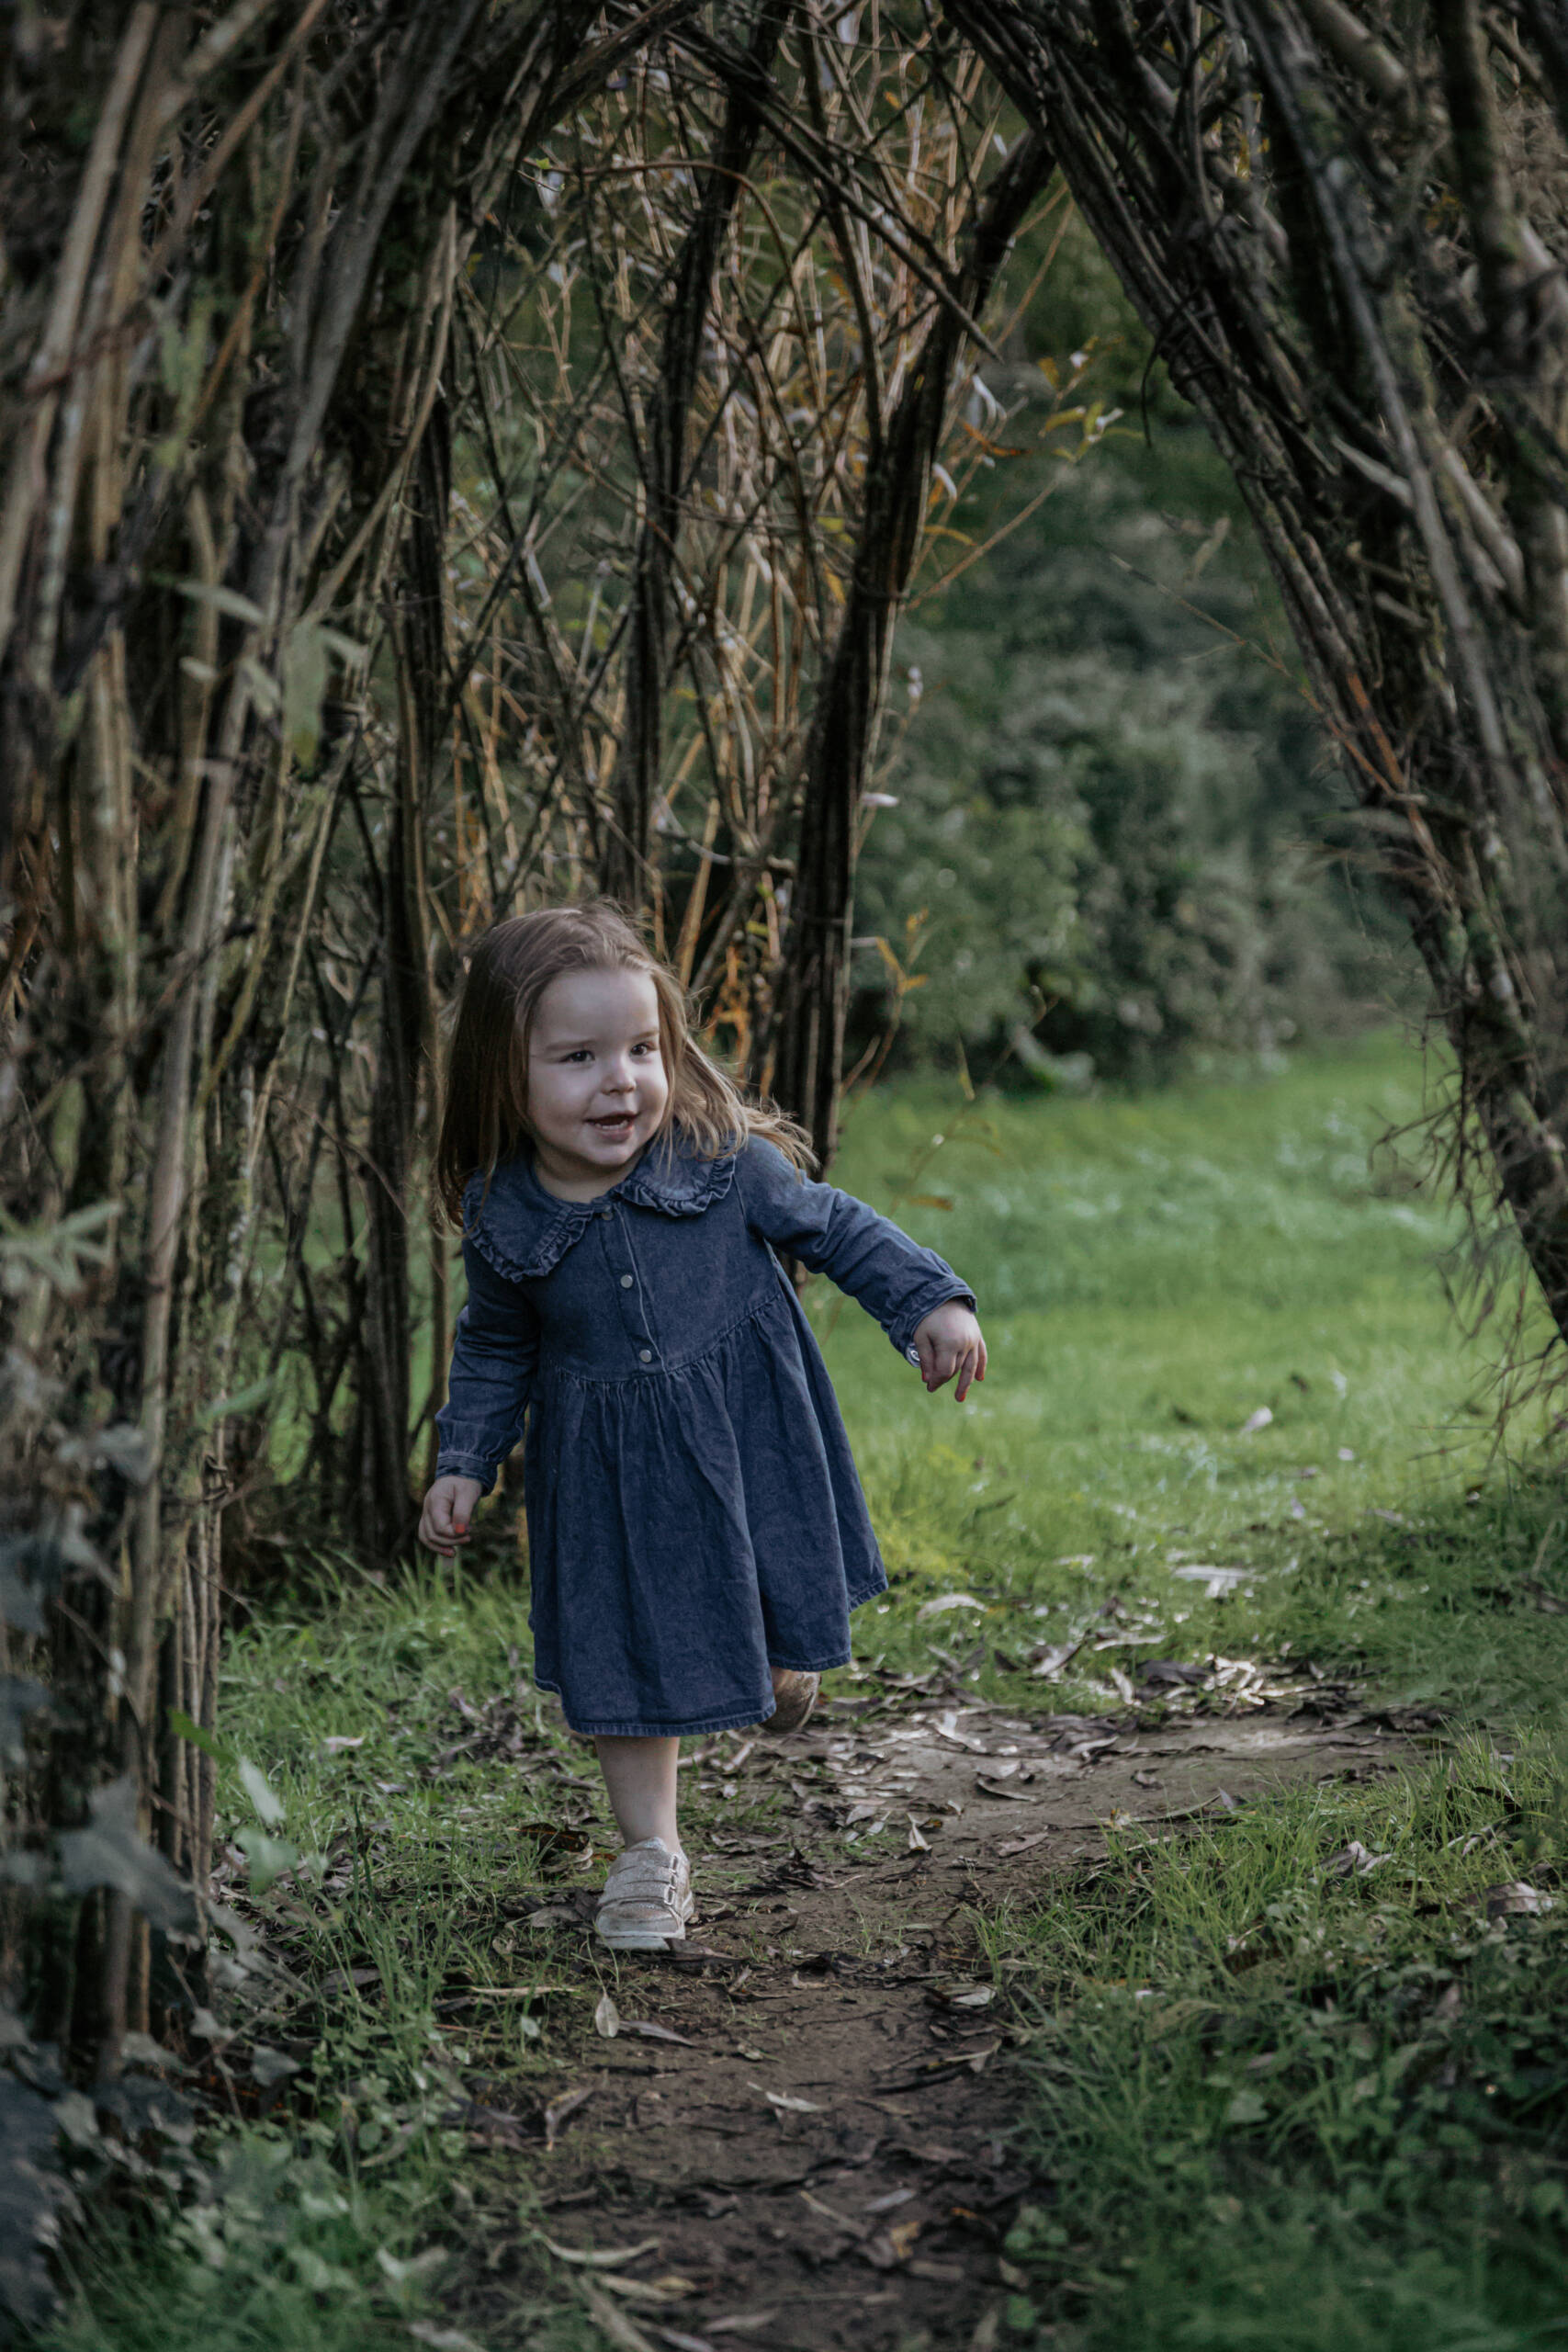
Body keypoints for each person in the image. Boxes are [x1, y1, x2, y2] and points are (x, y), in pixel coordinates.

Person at [419, 902, 985, 1951]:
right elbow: (494, 1345)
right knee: (621, 1656)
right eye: (578, 1057)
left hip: (747, 1437)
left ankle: (775, 1660)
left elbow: (835, 1222)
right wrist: (466, 1458)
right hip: (604, 1477)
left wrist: (929, 1303)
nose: (621, 1079)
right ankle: (651, 1857)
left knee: (760, 1663)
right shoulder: (504, 1214)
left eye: (642, 1049)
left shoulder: (721, 1159)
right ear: (506, 1072)